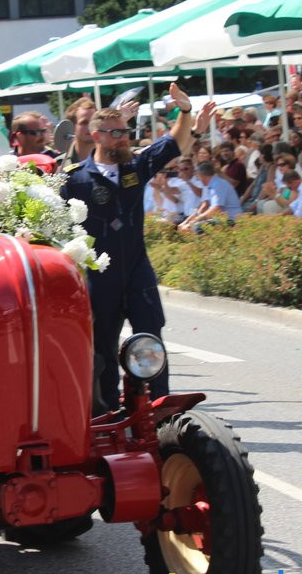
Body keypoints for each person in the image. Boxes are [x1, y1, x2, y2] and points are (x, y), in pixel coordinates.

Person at [59, 83, 207, 415]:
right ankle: (108, 414)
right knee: (103, 348)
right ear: (97, 137)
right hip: (100, 276)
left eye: (125, 132)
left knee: (150, 339)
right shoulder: (74, 180)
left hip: (137, 269)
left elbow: (174, 144)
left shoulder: (135, 167)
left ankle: (160, 410)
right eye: (115, 133)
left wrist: (184, 112)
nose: (123, 138)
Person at [179, 162, 244, 231]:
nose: (198, 178)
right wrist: (187, 221)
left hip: (231, 220)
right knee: (191, 226)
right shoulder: (211, 185)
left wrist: (194, 221)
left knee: (195, 228)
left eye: (198, 176)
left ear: (202, 175)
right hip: (222, 219)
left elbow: (216, 208)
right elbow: (205, 206)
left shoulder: (218, 184)